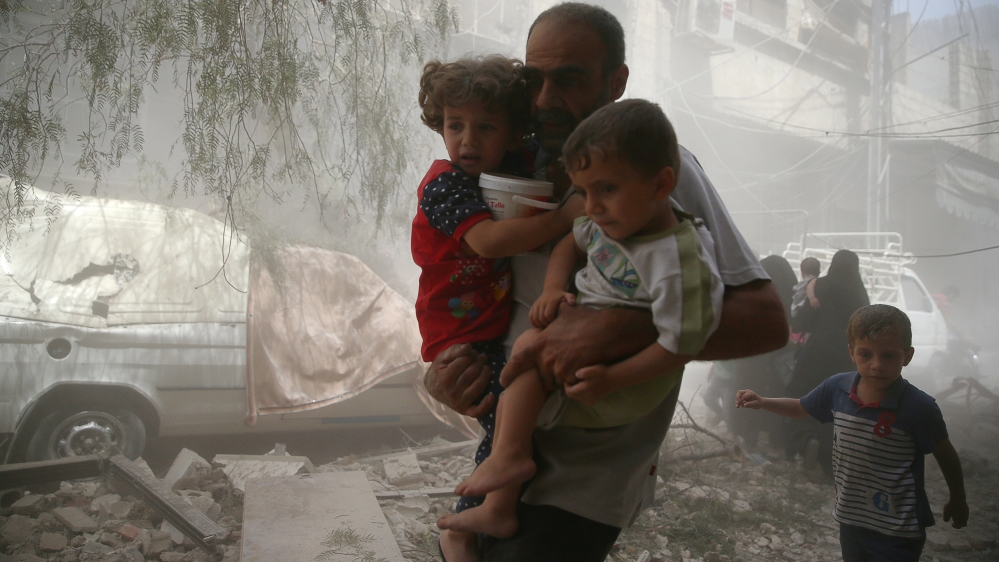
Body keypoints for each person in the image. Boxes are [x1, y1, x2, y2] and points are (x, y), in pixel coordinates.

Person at [426, 4, 788, 561]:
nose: (545, 98)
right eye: (534, 78)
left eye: (568, 79)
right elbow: (470, 285)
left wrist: (614, 332)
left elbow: (765, 321)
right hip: (509, 454)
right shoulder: (511, 165)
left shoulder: (652, 171)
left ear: (616, 82)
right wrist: (446, 371)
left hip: (582, 479)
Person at [437, 99, 723, 538]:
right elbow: (572, 241)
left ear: (662, 183)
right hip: (576, 353)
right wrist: (554, 290)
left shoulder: (677, 259)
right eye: (584, 192)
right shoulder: (611, 224)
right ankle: (499, 494)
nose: (591, 206)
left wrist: (616, 378)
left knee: (524, 366)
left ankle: (507, 465)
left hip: (623, 385)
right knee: (521, 362)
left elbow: (680, 344)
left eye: (606, 190)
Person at [411, 55, 581, 554]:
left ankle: (467, 527)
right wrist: (566, 217)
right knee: (501, 422)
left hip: (486, 317)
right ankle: (477, 520)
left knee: (509, 411)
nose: (467, 140)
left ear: (511, 133)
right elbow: (486, 242)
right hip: (458, 331)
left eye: (485, 127)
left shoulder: (510, 165)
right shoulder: (444, 184)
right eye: (454, 125)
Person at [736, 304, 969, 562]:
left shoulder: (919, 407)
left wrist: (958, 498)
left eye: (889, 356)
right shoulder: (838, 388)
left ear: (907, 355)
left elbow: (945, 454)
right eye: (866, 354)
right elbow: (801, 407)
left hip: (897, 528)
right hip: (851, 519)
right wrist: (763, 401)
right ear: (852, 353)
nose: (876, 365)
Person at [785, 249, 869, 475]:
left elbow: (801, 321)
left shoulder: (822, 286)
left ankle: (805, 441)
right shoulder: (861, 296)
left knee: (802, 396)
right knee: (838, 408)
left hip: (817, 355)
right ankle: (830, 463)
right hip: (847, 359)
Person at [722, 255, 797, 451]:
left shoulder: (755, 287)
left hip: (751, 350)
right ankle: (775, 439)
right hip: (779, 349)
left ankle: (744, 435)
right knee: (774, 392)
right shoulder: (789, 290)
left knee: (745, 388)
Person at [790, 256, 821, 322]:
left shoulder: (802, 283)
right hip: (802, 304)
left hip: (795, 306)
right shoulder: (814, 280)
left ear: (802, 272)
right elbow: (809, 287)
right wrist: (812, 298)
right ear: (819, 272)